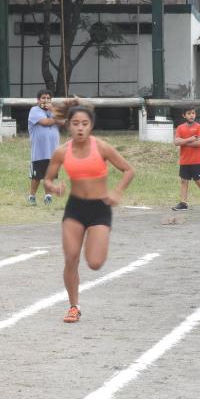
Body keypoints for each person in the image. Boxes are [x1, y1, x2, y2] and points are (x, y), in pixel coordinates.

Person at [44, 99, 135, 323]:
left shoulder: (102, 147)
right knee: (71, 257)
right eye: (75, 123)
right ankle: (73, 306)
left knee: (94, 263)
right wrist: (53, 187)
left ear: (91, 126)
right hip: (75, 208)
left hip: (99, 209)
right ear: (68, 126)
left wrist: (117, 192)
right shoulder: (61, 152)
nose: (80, 128)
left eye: (84, 123)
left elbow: (128, 170)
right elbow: (47, 178)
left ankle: (95, 242)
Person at [172, 106, 200, 211]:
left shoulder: (199, 127)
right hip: (184, 160)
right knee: (184, 180)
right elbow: (176, 142)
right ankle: (183, 203)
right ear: (184, 115)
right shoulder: (180, 128)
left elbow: (199, 143)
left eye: (193, 113)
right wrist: (190, 139)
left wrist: (183, 142)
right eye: (189, 113)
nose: (192, 115)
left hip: (196, 160)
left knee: (198, 180)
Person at [27, 89, 64, 206]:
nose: (46, 100)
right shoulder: (34, 110)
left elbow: (63, 121)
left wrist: (54, 111)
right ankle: (32, 196)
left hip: (53, 151)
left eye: (48, 98)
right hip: (39, 152)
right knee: (37, 176)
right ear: (38, 100)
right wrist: (56, 120)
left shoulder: (53, 110)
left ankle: (48, 197)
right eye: (43, 98)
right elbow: (45, 122)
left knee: (50, 175)